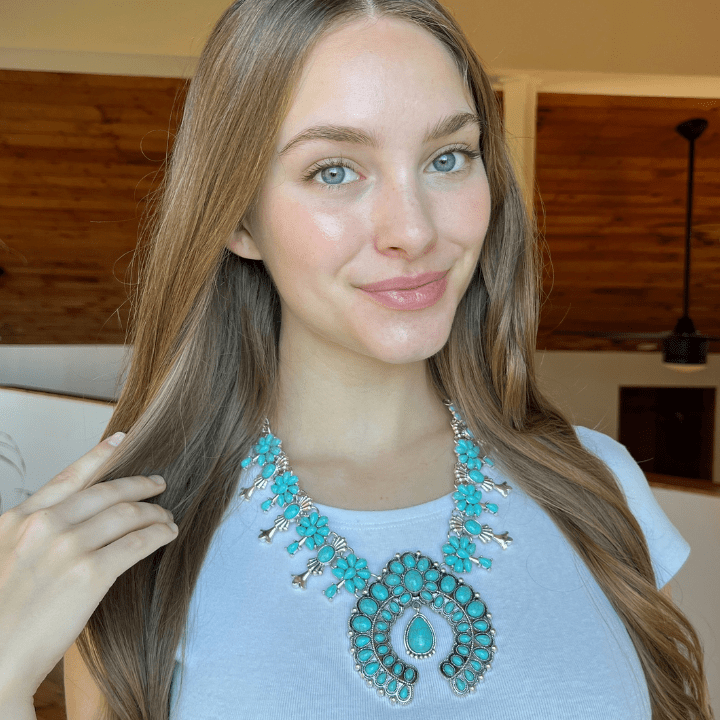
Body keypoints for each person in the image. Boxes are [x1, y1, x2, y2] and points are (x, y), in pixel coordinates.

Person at [0, 1, 712, 718]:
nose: (413, 230)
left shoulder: (599, 488)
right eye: (335, 170)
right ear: (237, 218)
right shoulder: (139, 546)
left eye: (447, 158)